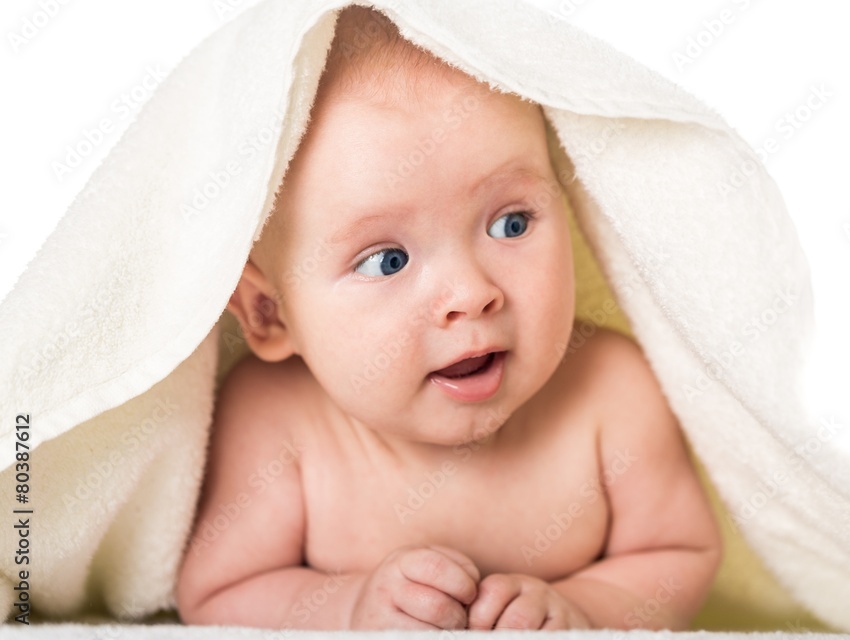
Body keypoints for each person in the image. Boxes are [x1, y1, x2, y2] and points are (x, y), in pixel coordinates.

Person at [175, 5, 720, 631]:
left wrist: (586, 611)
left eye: (510, 223)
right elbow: (219, 596)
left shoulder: (611, 391)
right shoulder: (276, 423)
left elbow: (679, 553)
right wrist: (350, 608)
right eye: (387, 261)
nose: (471, 294)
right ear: (270, 313)